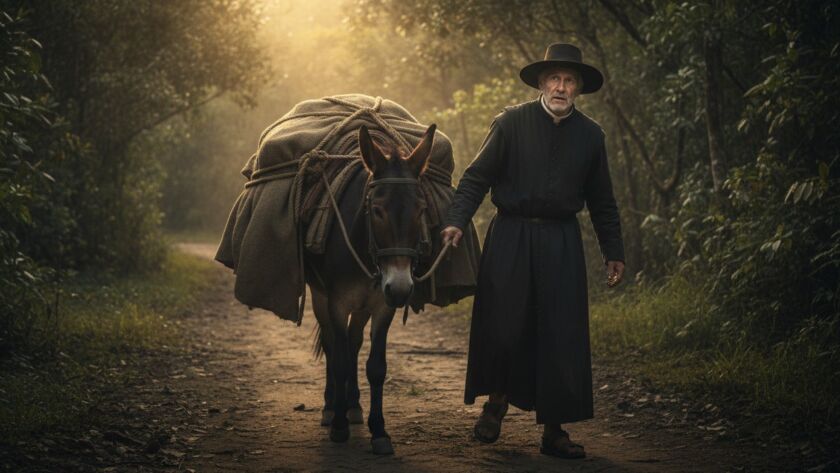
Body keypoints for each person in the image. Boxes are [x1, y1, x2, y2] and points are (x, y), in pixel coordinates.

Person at [440, 43, 625, 459]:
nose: (561, 87)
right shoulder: (510, 123)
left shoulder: (591, 136)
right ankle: (496, 403)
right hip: (511, 236)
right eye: (554, 79)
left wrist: (613, 250)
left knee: (560, 335)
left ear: (578, 88)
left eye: (569, 80)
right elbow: (475, 178)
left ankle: (554, 431)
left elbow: (603, 201)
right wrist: (455, 219)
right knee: (504, 326)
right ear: (542, 83)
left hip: (561, 242)